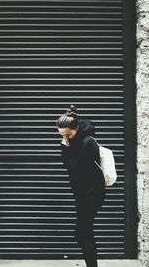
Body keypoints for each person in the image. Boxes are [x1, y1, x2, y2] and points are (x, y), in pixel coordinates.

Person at [56, 104, 106, 267]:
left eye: (67, 135)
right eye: (62, 137)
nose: (65, 139)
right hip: (83, 195)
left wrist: (65, 148)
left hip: (90, 196)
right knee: (84, 232)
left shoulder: (87, 143)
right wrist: (66, 145)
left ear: (75, 129)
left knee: (82, 233)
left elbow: (72, 166)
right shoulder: (76, 142)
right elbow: (69, 165)